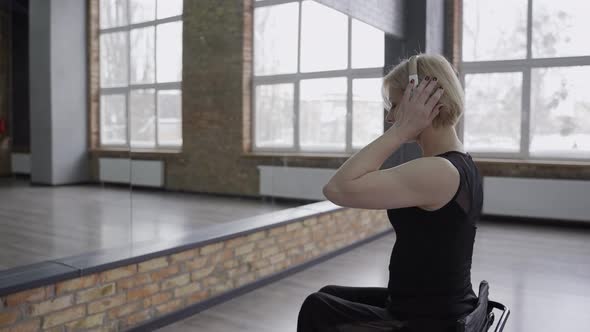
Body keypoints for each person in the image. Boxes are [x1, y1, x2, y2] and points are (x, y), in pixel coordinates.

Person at [297, 53, 483, 332]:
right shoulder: (460, 162)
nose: (390, 117)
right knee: (329, 293)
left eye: (395, 105)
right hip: (426, 304)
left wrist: (401, 130)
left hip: (430, 321)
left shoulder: (439, 171)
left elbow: (336, 189)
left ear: (425, 102)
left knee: (317, 308)